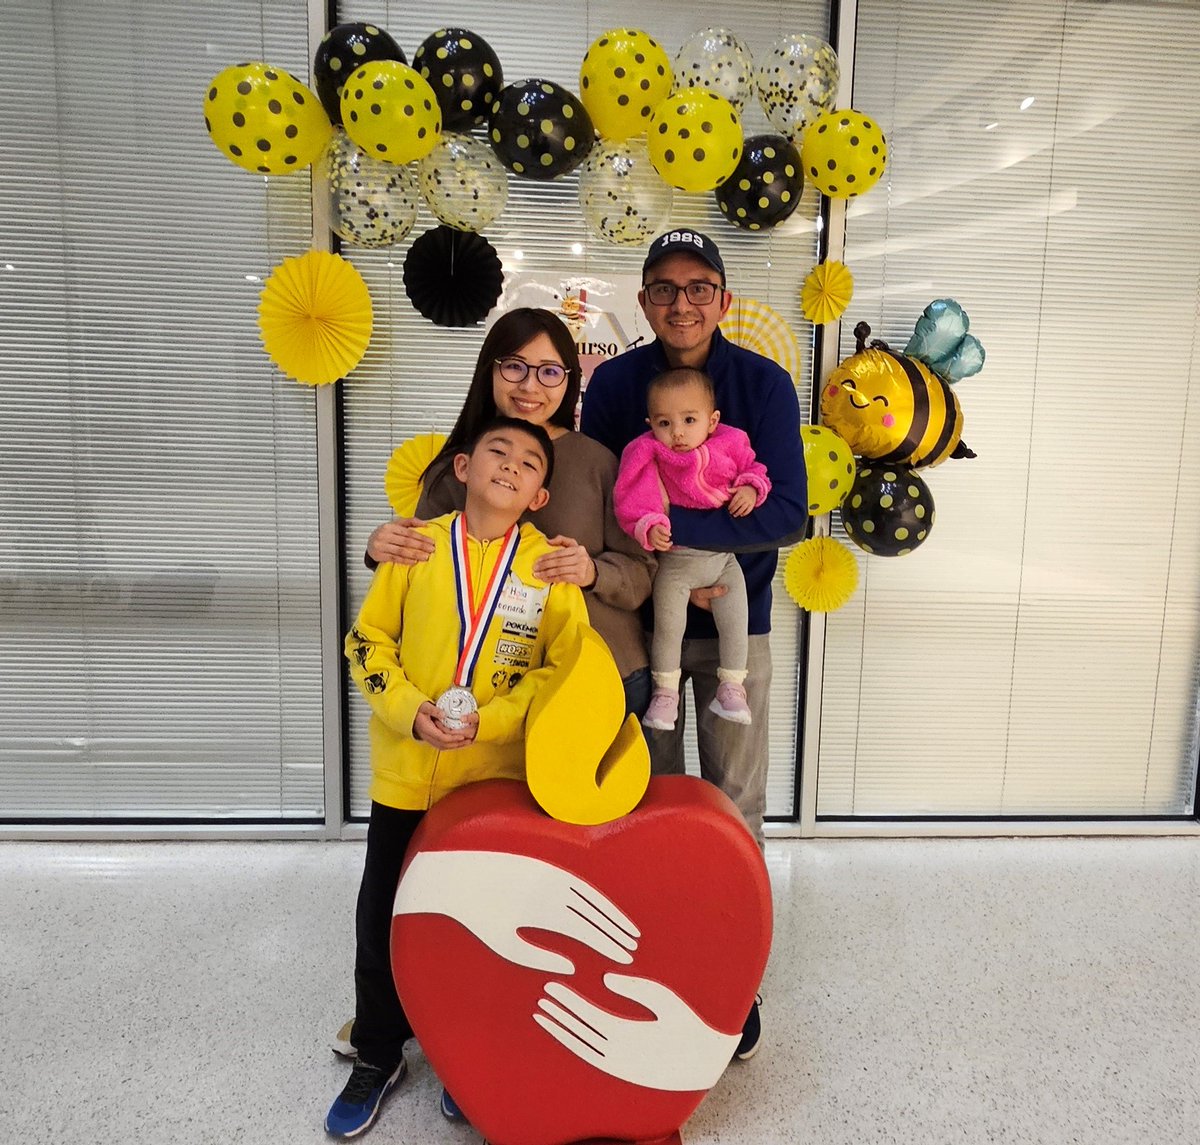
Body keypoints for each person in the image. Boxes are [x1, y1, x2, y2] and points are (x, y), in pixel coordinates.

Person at [328, 417, 591, 1138]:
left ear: (540, 494)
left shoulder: (547, 567)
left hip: (492, 785)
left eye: (530, 461)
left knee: (486, 928)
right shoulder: (415, 546)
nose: (512, 466)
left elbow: (562, 670)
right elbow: (367, 639)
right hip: (408, 775)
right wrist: (412, 712)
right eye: (498, 453)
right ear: (466, 468)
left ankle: (470, 1056)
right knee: (384, 919)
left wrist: (496, 719)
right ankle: (379, 1052)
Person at [581, 229, 809, 1062]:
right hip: (642, 630)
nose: (683, 302)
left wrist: (706, 557)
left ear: (724, 296)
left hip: (739, 630)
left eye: (699, 286)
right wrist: (672, 564)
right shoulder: (612, 385)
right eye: (665, 288)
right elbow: (601, 503)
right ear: (643, 301)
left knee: (734, 801)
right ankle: (652, 954)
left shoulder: (765, 384)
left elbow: (790, 512)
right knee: (645, 796)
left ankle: (731, 969)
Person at [366, 307, 655, 718]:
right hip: (483, 695)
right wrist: (381, 548)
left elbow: (643, 573)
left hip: (596, 675)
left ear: (569, 381)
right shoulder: (456, 469)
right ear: (490, 370)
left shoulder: (598, 462)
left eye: (550, 371)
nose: (531, 386)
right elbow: (412, 579)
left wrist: (592, 572)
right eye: (515, 367)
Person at [613, 366, 771, 732]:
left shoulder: (730, 444)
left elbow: (756, 469)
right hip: (676, 562)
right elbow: (631, 499)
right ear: (650, 422)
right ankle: (665, 694)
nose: (678, 433)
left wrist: (750, 488)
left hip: (723, 562)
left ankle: (732, 686)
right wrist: (649, 526)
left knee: (737, 621)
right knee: (668, 627)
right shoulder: (645, 453)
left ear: (712, 420)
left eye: (688, 420)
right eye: (664, 423)